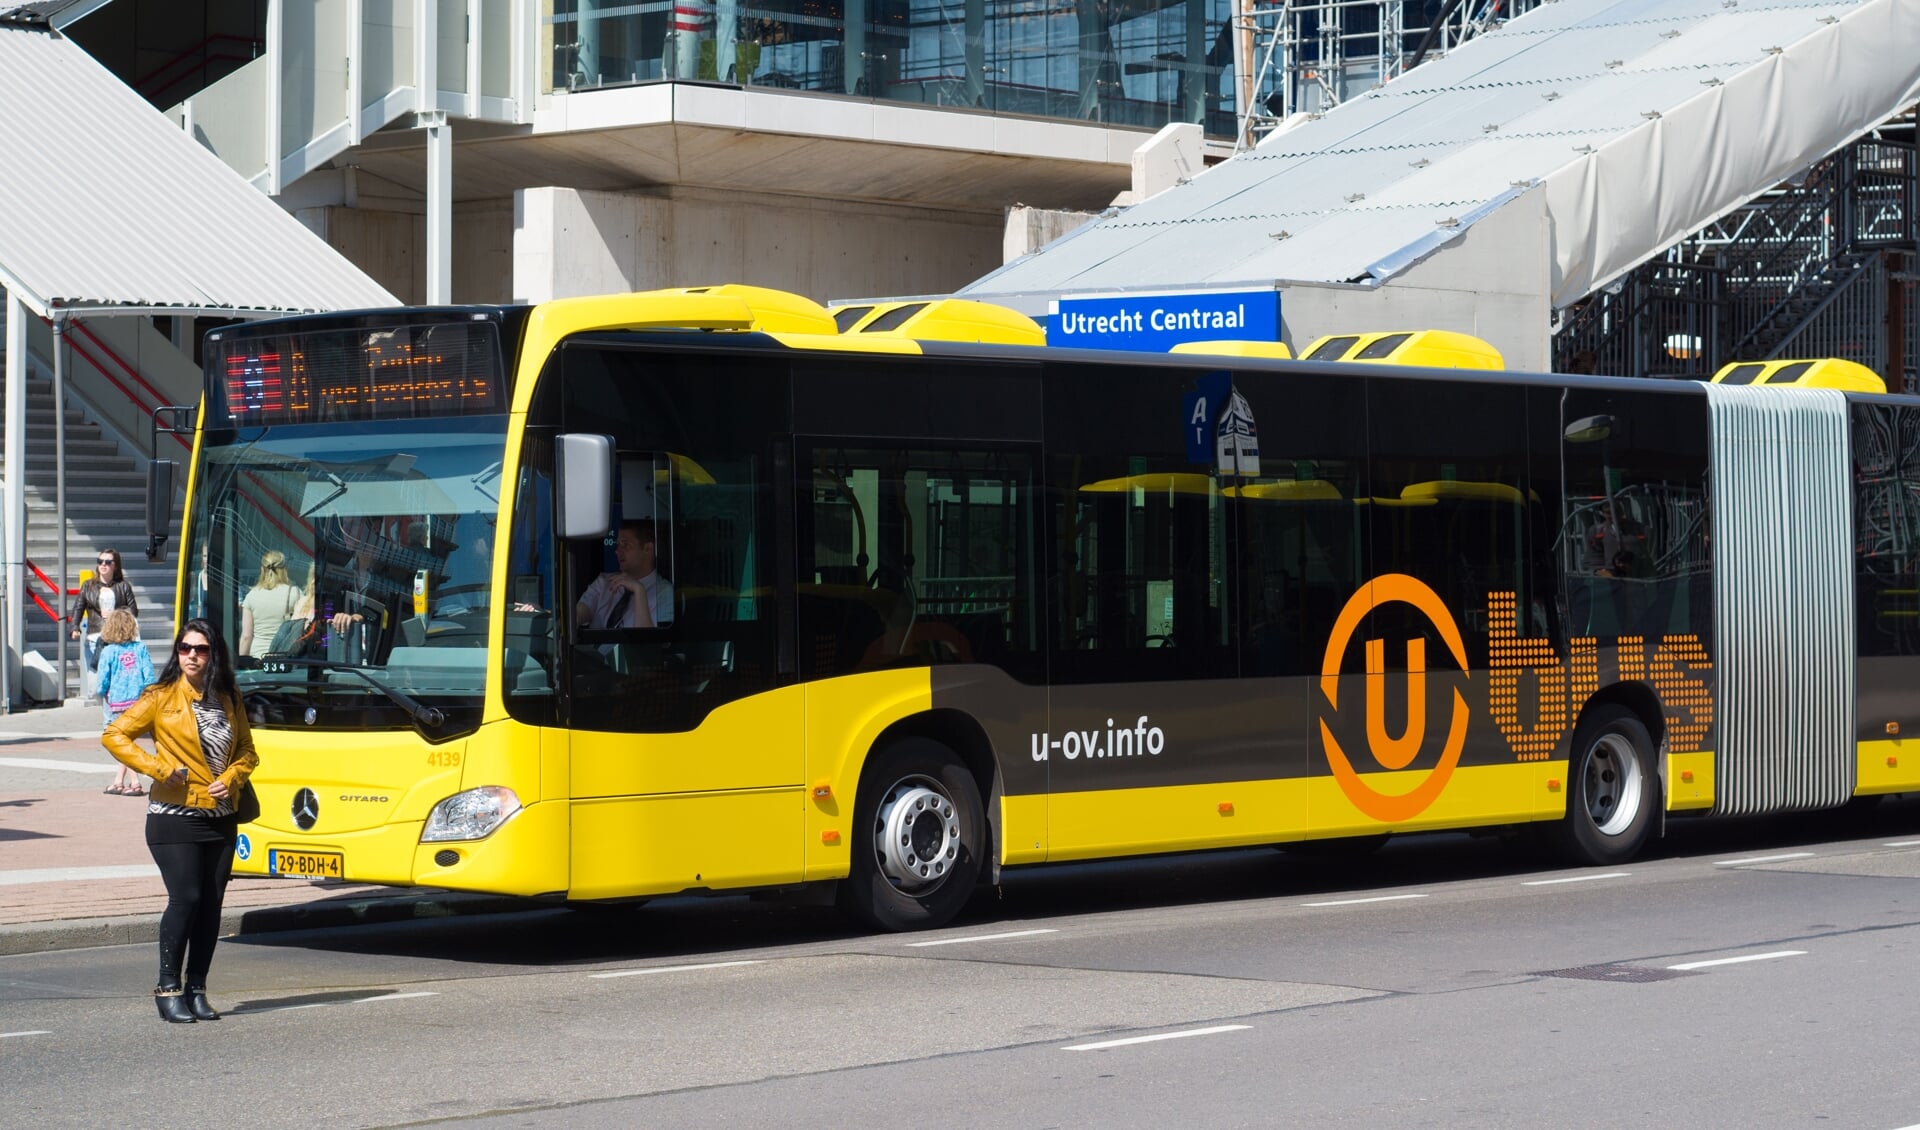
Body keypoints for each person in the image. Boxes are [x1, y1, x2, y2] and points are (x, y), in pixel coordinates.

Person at [102, 619, 258, 1024]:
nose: (191, 655)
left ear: (213, 654)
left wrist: (232, 777)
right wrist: (156, 767)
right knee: (186, 898)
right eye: (185, 648)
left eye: (201, 649)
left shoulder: (228, 696)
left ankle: (197, 988)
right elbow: (115, 735)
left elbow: (247, 751)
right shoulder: (160, 696)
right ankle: (167, 988)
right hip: (173, 817)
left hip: (221, 817)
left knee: (211, 905)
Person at [94, 608, 156, 796]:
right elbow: (150, 677)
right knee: (126, 740)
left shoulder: (109, 651)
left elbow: (102, 680)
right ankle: (118, 781)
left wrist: (101, 692)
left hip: (115, 702)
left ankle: (135, 782)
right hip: (138, 702)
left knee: (118, 741)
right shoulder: (141, 648)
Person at [576, 519, 674, 630]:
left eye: (626, 545)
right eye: (618, 544)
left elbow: (647, 644)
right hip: (593, 647)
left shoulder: (665, 593)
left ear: (648, 548)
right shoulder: (605, 581)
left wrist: (639, 591)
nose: (617, 551)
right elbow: (582, 611)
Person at [68, 547, 138, 703]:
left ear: (115, 566)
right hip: (95, 639)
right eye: (100, 561)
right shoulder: (88, 586)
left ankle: (111, 713)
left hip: (117, 639)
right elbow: (78, 607)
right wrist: (74, 627)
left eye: (108, 562)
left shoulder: (123, 586)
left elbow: (133, 611)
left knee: (114, 678)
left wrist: (116, 613)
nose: (103, 565)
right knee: (97, 683)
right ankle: (107, 707)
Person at [238, 550, 304, 658]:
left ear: (262, 569)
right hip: (285, 658)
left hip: (258, 657)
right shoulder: (296, 593)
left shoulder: (251, 596)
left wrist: (242, 661)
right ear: (284, 570)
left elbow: (246, 636)